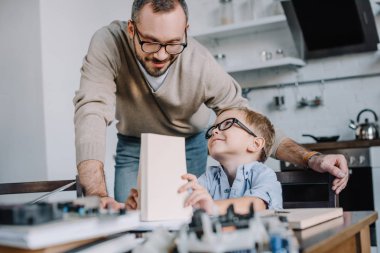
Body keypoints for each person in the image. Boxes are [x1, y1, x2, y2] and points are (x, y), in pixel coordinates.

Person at [73, 0, 349, 208]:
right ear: (132, 29)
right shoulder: (108, 43)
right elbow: (92, 110)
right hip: (136, 143)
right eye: (150, 43)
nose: (161, 54)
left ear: (185, 31)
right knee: (130, 217)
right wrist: (98, 196)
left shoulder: (199, 62)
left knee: (186, 214)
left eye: (173, 44)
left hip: (190, 140)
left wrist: (311, 159)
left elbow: (253, 124)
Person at [126, 107, 283, 214]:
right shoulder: (209, 177)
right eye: (213, 128)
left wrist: (211, 207)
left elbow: (256, 205)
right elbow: (184, 203)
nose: (214, 130)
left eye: (227, 124)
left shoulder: (264, 175)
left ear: (255, 144)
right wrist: (145, 203)